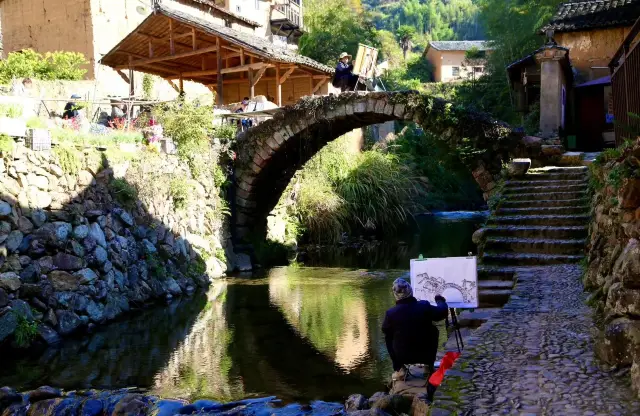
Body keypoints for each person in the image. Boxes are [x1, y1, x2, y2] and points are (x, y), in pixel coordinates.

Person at [382, 278, 448, 381]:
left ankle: (399, 369)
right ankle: (428, 367)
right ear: (411, 291)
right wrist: (440, 300)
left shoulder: (391, 313)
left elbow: (385, 330)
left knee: (388, 337)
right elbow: (442, 312)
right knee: (433, 330)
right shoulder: (424, 306)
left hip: (402, 356)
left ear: (395, 294)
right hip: (425, 354)